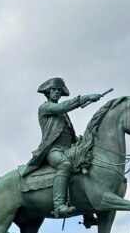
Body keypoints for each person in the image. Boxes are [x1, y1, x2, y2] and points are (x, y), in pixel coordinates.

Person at [21, 77, 105, 218]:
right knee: (64, 165)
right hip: (53, 150)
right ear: (47, 93)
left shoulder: (63, 114)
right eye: (53, 90)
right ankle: (59, 205)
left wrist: (83, 142)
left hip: (68, 149)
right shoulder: (46, 107)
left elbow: (68, 133)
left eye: (59, 90)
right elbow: (62, 106)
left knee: (86, 162)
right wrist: (85, 98)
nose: (56, 93)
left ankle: (87, 214)